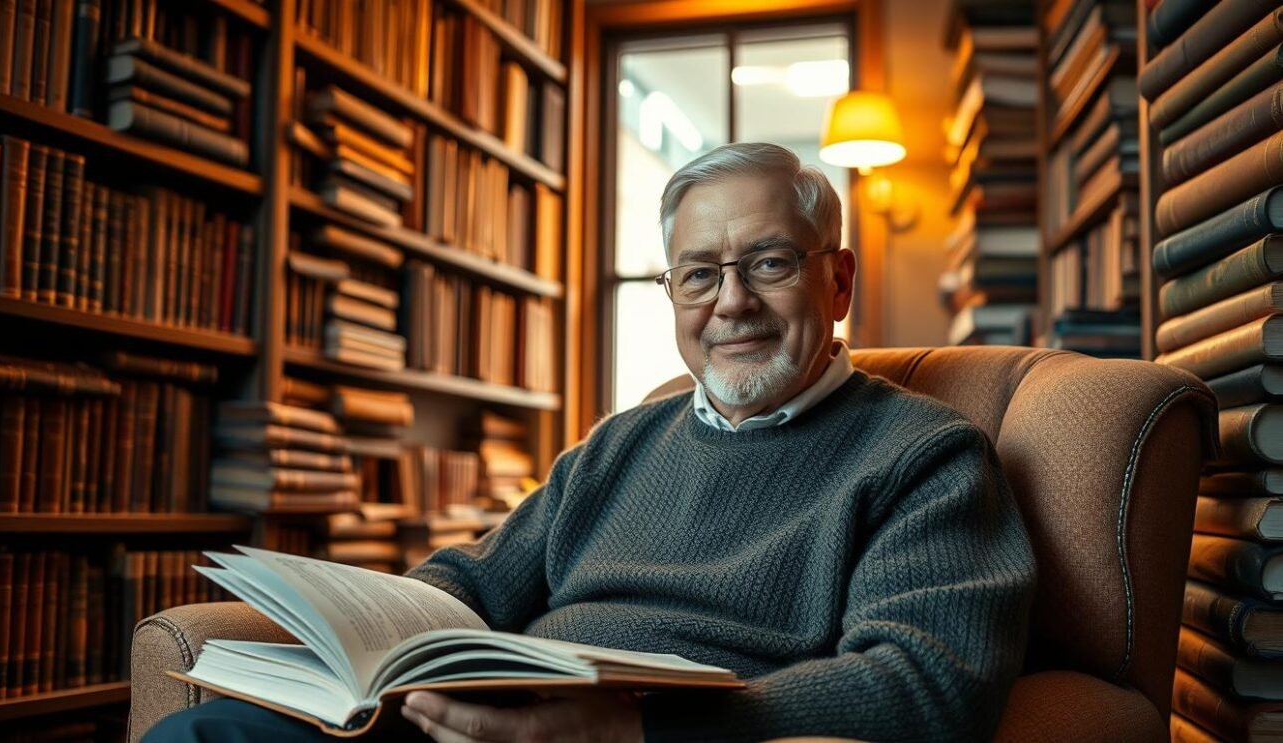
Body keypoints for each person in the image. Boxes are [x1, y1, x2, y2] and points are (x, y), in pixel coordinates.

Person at [144, 143, 1035, 743]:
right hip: (480, 724)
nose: (730, 302)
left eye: (768, 262)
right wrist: (381, 632)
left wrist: (632, 727)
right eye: (699, 274)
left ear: (836, 280)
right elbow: (476, 578)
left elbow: (925, 679)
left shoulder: (925, 455)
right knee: (199, 735)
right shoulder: (619, 446)